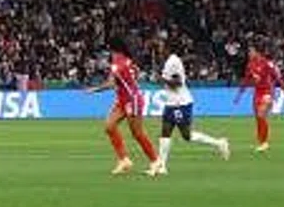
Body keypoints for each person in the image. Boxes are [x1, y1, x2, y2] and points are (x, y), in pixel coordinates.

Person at [85, 39, 159, 176]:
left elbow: (110, 83)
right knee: (109, 126)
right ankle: (124, 160)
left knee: (137, 133)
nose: (106, 54)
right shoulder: (127, 60)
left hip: (132, 100)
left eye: (108, 50)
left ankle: (155, 161)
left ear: (113, 50)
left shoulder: (117, 64)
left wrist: (93, 90)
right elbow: (134, 73)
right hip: (123, 100)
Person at [157, 50, 229, 172]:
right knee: (165, 132)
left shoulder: (172, 62)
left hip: (181, 103)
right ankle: (162, 166)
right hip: (171, 103)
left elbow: (178, 83)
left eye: (159, 46)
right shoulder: (169, 61)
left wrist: (163, 80)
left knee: (187, 135)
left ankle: (219, 143)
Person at [234, 46, 284, 153]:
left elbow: (276, 76)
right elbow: (246, 80)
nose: (249, 54)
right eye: (248, 52)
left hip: (267, 91)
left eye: (251, 52)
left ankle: (265, 142)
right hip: (257, 93)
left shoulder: (266, 63)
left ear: (257, 52)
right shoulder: (250, 65)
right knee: (258, 118)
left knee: (261, 114)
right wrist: (239, 95)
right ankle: (262, 142)